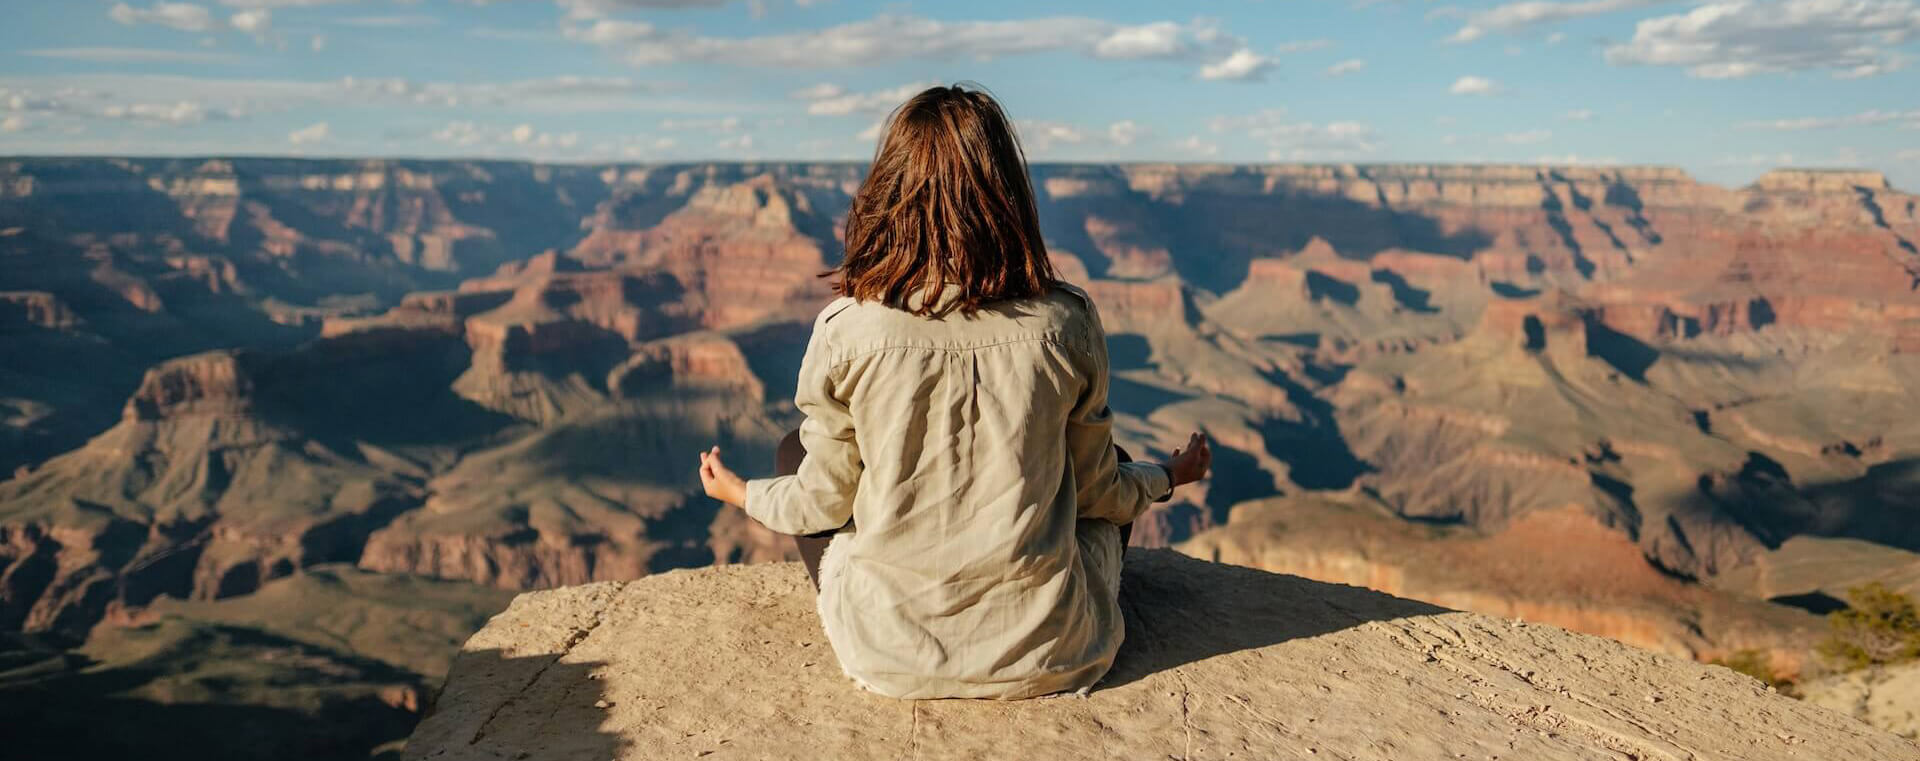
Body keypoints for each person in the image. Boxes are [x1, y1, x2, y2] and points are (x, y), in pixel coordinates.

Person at [695, 83, 1211, 701]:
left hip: (887, 657)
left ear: (888, 193)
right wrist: (1167, 475)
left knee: (792, 455)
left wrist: (740, 493)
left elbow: (823, 504)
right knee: (1117, 461)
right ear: (1008, 194)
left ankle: (899, 621)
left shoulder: (847, 328)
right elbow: (1100, 492)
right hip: (1054, 654)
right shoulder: (1065, 322)